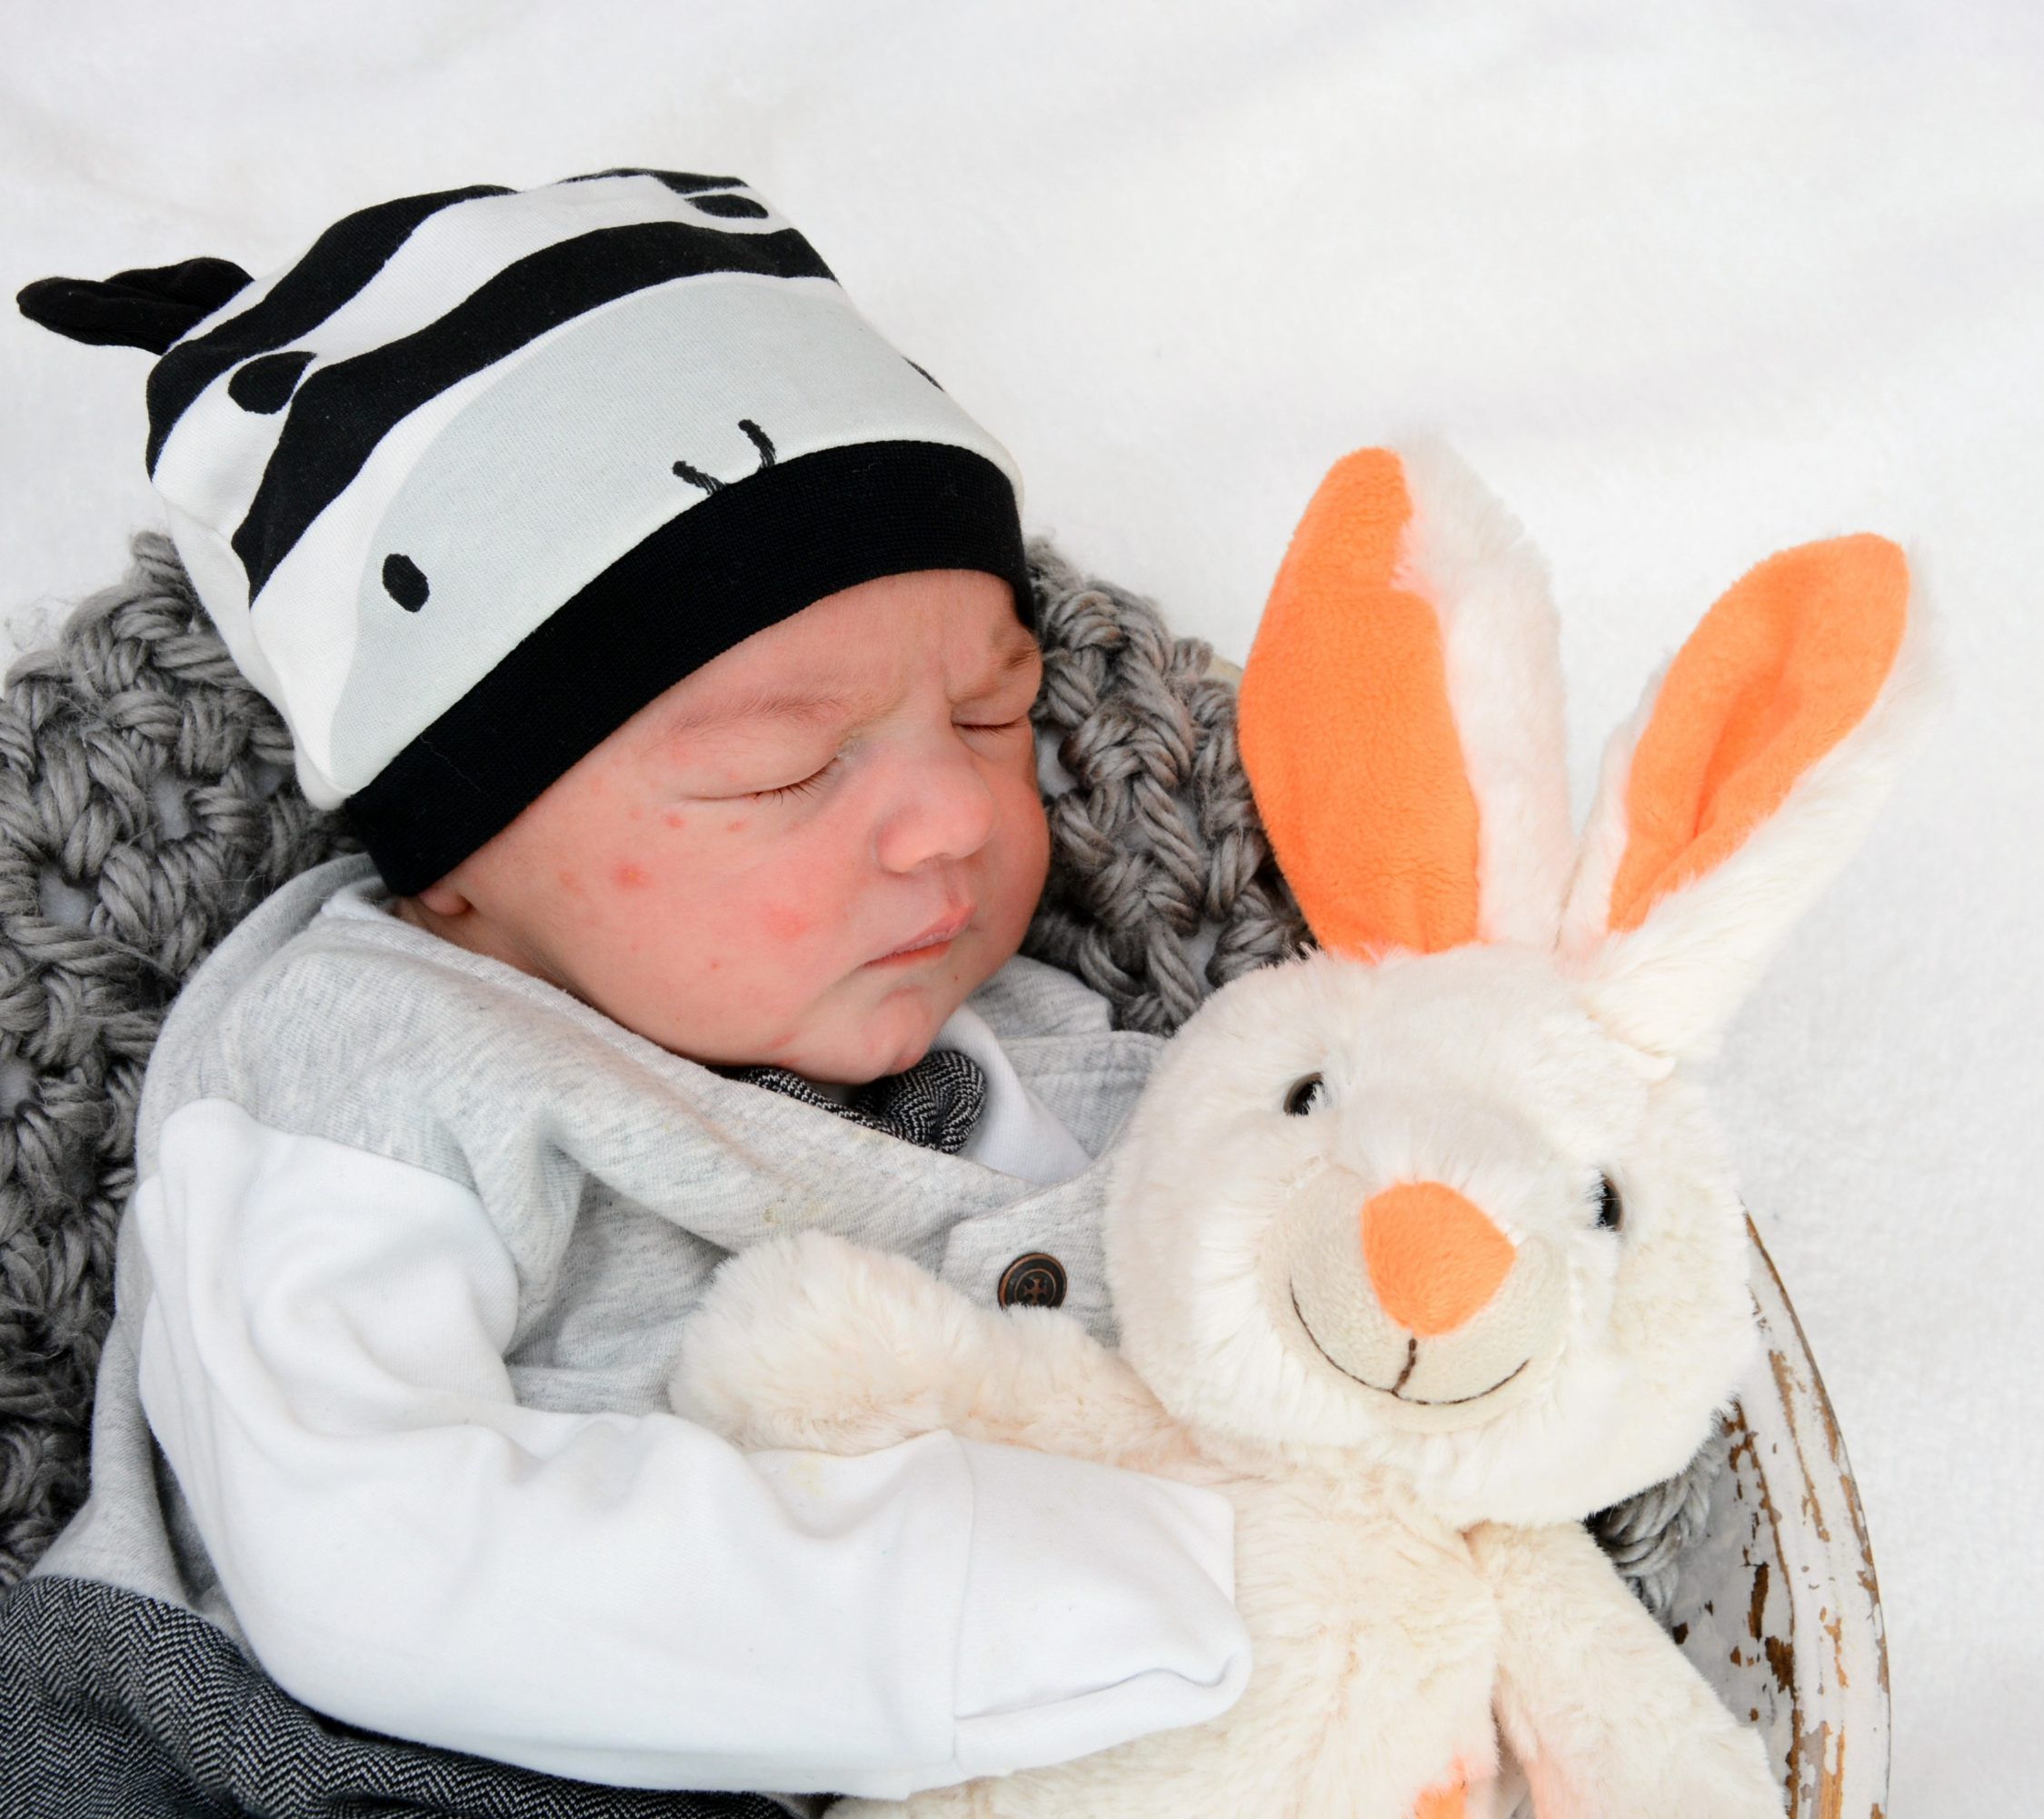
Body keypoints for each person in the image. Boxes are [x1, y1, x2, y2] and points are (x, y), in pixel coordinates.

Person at [6, 168, 1251, 1809]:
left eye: (988, 715)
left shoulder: (1029, 1042)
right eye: (785, 767)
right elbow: (370, 1547)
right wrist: (1046, 1601)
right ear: (464, 857)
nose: (954, 817)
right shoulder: (360, 1050)